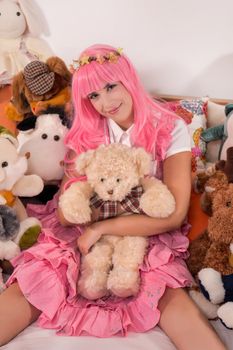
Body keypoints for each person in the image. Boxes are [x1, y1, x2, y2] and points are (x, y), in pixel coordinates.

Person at [0, 44, 226, 350]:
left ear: (128, 79)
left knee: (165, 290)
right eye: (93, 95)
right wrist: (90, 224)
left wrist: (102, 227)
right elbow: (68, 213)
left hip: (146, 231)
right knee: (38, 279)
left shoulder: (170, 126)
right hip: (79, 233)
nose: (104, 103)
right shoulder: (86, 131)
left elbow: (172, 214)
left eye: (110, 87)